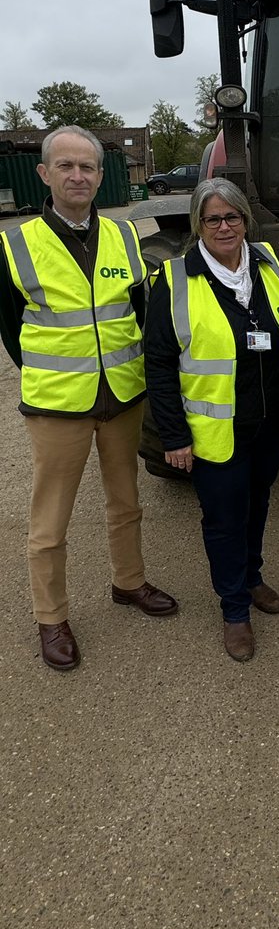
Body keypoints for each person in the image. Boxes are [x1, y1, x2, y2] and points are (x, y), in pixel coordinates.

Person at [0, 125, 177, 672]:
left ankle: (129, 583)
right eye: (67, 166)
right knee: (50, 520)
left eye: (88, 167)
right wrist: (47, 375)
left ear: (101, 175)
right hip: (59, 404)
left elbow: (140, 312)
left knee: (125, 502)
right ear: (45, 174)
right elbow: (11, 327)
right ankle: (51, 617)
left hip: (122, 395)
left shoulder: (125, 238)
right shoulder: (16, 244)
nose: (78, 176)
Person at [144, 179, 279, 663]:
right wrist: (173, 435)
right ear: (198, 224)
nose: (223, 226)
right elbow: (158, 363)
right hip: (215, 429)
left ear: (246, 221)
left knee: (258, 504)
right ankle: (234, 609)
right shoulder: (174, 280)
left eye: (232, 217)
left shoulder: (266, 263)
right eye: (212, 218)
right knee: (223, 520)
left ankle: (253, 577)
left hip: (271, 419)